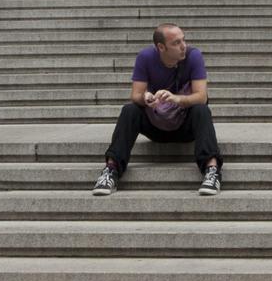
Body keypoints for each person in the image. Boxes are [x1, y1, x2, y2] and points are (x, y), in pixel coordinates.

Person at [92, 23, 222, 196]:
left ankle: (212, 170)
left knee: (201, 110)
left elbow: (201, 96)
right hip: (155, 126)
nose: (183, 46)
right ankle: (111, 170)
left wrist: (177, 99)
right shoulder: (145, 57)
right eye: (176, 43)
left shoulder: (193, 56)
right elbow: (136, 95)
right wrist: (146, 98)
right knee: (130, 110)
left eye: (183, 40)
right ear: (161, 47)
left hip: (185, 126)